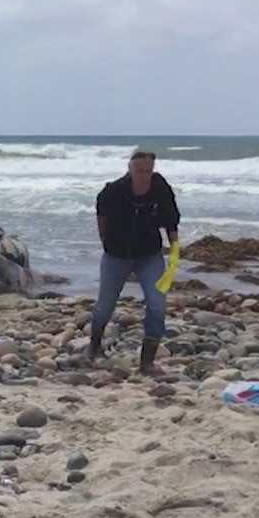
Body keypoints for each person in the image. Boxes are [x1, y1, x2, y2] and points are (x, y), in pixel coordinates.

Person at [88, 151, 180, 374]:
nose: (144, 175)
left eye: (148, 170)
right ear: (130, 169)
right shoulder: (114, 191)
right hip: (116, 256)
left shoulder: (160, 188)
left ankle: (146, 362)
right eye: (140, 171)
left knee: (157, 305)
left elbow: (171, 219)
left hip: (149, 256)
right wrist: (106, 243)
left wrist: (174, 250)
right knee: (104, 306)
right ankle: (93, 348)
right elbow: (101, 214)